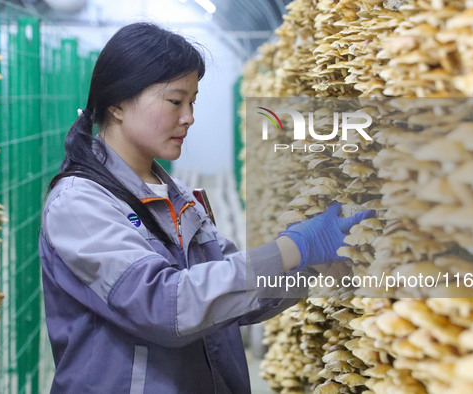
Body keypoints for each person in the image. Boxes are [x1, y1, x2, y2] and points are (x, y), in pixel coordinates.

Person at [38, 22, 374, 394]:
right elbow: (166, 306)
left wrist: (312, 267)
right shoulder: (79, 204)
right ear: (117, 103)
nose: (189, 117)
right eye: (175, 101)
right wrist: (291, 248)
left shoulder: (177, 195)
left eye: (192, 101)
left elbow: (229, 294)